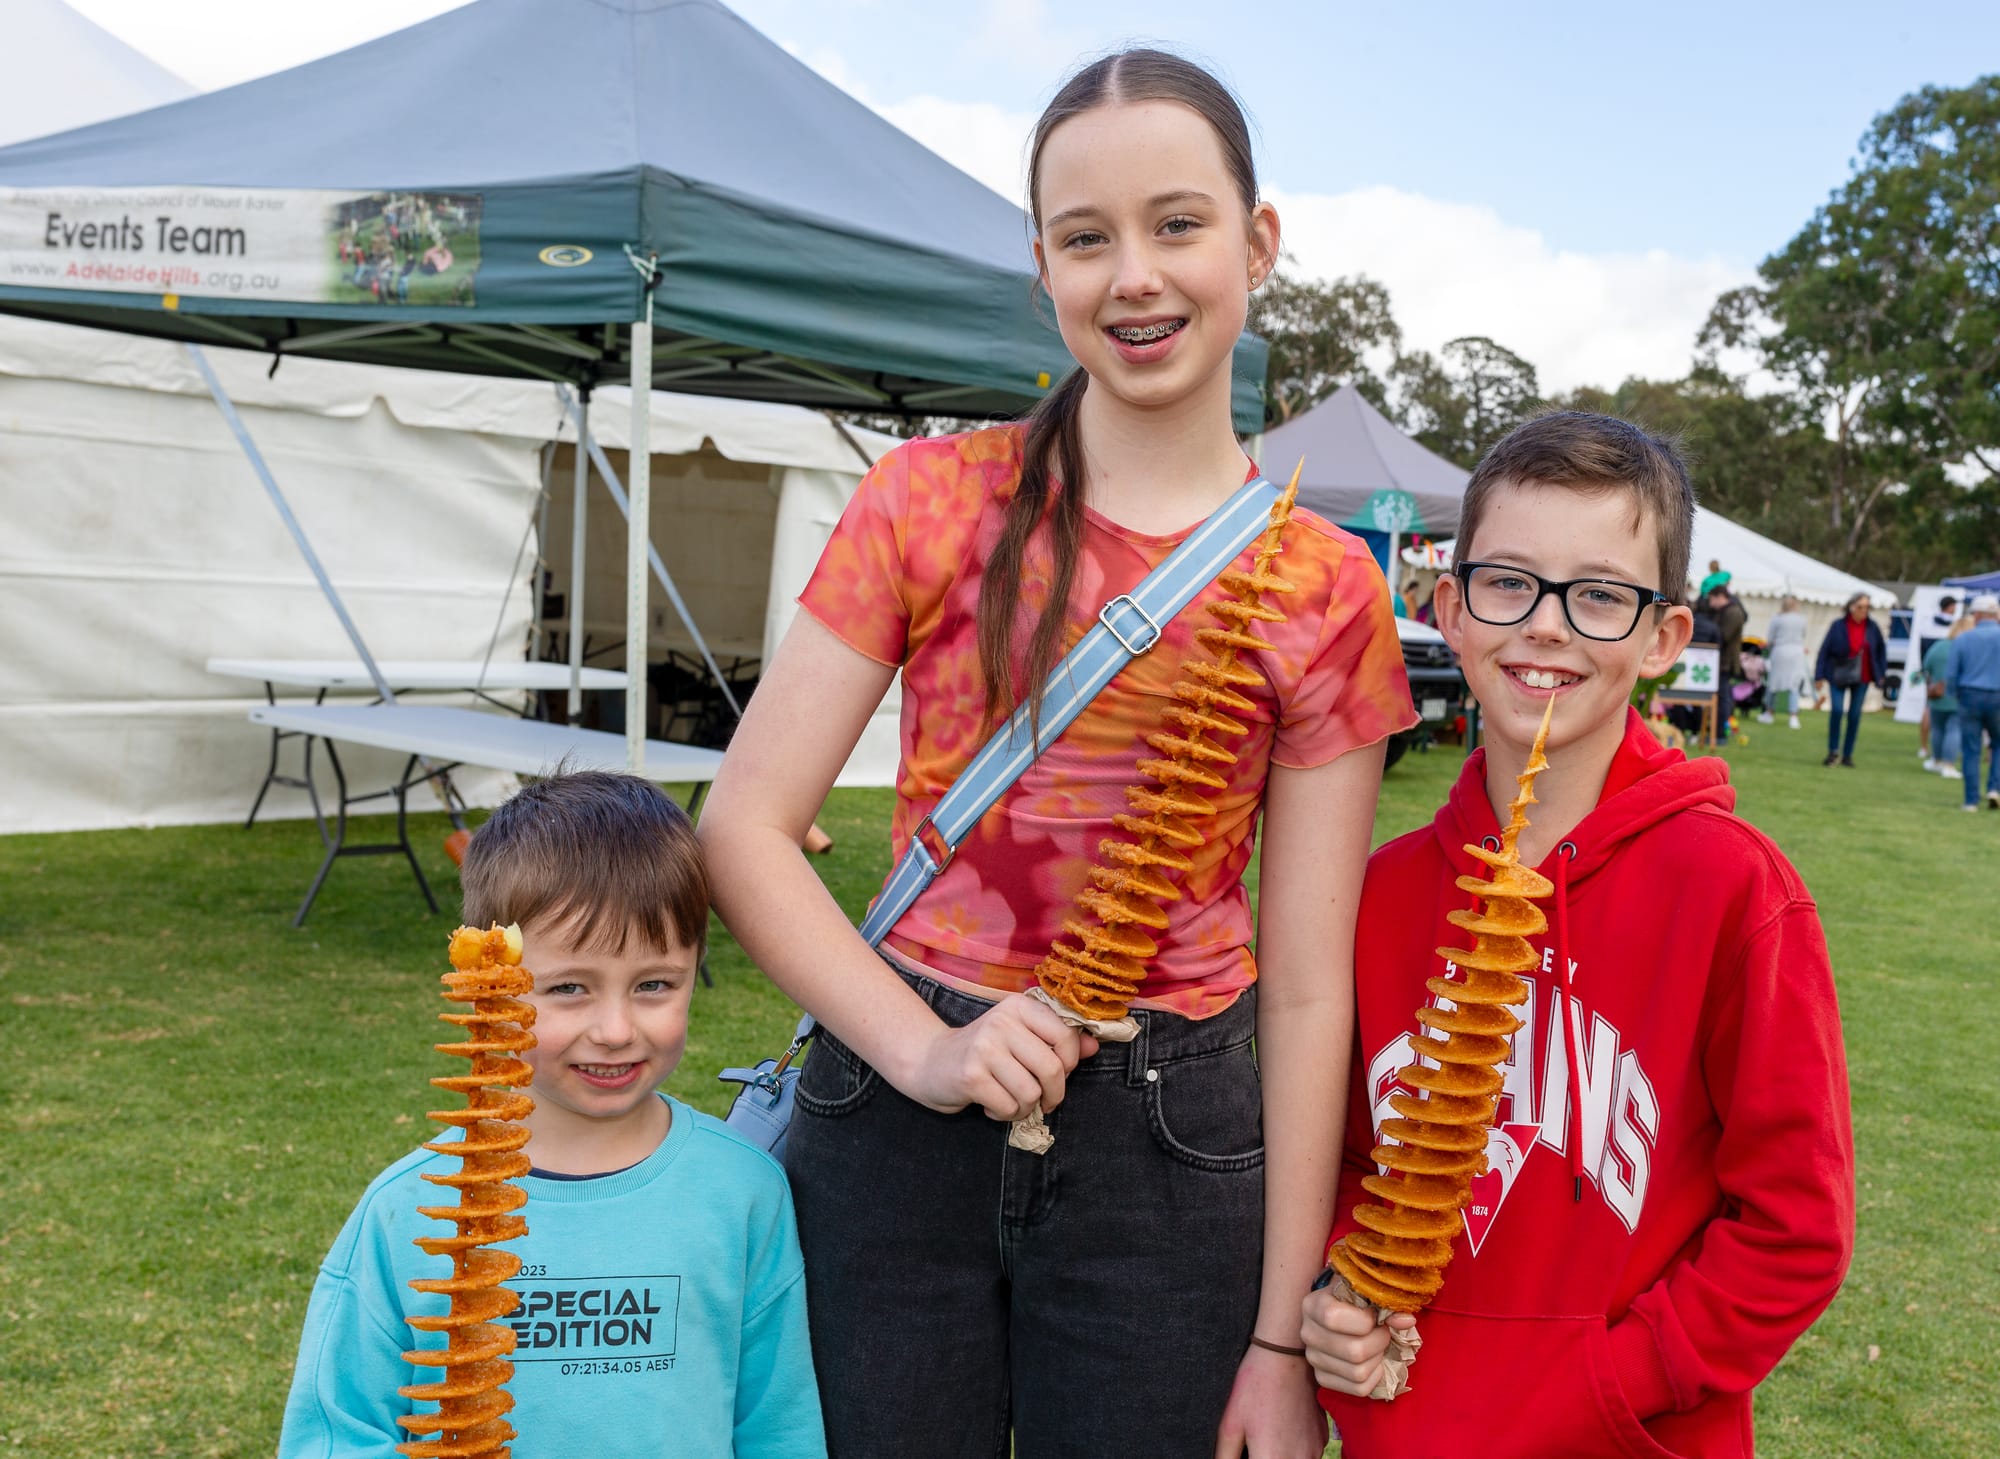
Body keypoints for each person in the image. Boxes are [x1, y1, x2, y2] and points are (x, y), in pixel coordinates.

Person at [697, 48, 1415, 1459]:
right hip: (897, 1112)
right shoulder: (924, 502)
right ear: (1043, 267)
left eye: (1178, 223)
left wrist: (1281, 1338)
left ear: (1258, 243)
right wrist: (925, 1048)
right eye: (1087, 239)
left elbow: (1311, 982)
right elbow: (744, 825)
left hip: (1177, 1146)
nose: (1134, 275)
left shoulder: (1330, 587)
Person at [1302, 412, 1854, 1457]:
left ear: (1661, 640)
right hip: (1404, 1425)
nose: (1545, 627)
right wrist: (1343, 1283)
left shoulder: (1735, 891)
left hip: (1621, 1430)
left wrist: (1605, 1382)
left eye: (1598, 595)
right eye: (1508, 583)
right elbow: (1340, 1159)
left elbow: (1794, 1227)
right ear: (1450, 611)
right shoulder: (1376, 896)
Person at [278, 772, 826, 1459]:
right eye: (569, 987)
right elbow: (334, 1434)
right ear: (495, 984)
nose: (617, 1027)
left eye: (655, 984)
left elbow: (779, 1427)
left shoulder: (744, 1193)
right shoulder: (409, 1210)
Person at [1814, 592, 1888, 767]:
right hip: (1838, 674)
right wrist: (1819, 675)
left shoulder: (1872, 628)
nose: (1864, 611)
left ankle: (1847, 754)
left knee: (1854, 715)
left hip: (1862, 676)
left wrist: (1881, 673)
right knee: (1837, 711)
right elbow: (1824, 650)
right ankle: (1833, 751)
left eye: (1867, 607)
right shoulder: (1839, 626)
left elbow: (1880, 651)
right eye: (1861, 607)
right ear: (1851, 607)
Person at [1946, 593, 2000, 811]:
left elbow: (1951, 673)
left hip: (1969, 695)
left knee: (1971, 749)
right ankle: (1995, 787)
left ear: (1977, 615)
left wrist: (1954, 694)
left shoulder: (1963, 639)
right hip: (1998, 695)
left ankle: (1970, 801)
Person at [1921, 615, 1971, 777]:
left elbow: (1926, 666)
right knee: (1954, 730)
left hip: (1937, 694)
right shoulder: (1968, 649)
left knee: (1938, 729)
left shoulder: (1939, 646)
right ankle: (1949, 764)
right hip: (1958, 695)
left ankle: (1937, 760)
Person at [1757, 594, 1810, 728]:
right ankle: (1793, 717)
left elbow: (1770, 638)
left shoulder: (1777, 619)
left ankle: (1769, 713)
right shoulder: (1802, 620)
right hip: (1797, 653)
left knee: (1773, 684)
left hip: (1780, 652)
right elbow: (1803, 635)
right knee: (1794, 685)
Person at [1706, 580, 1746, 744]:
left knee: (1722, 699)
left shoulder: (1733, 613)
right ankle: (1716, 732)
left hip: (1725, 662)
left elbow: (1724, 636)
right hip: (1721, 661)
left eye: (1712, 599)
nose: (1710, 603)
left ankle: (1720, 735)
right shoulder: (1726, 611)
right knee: (1721, 697)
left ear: (1721, 596)